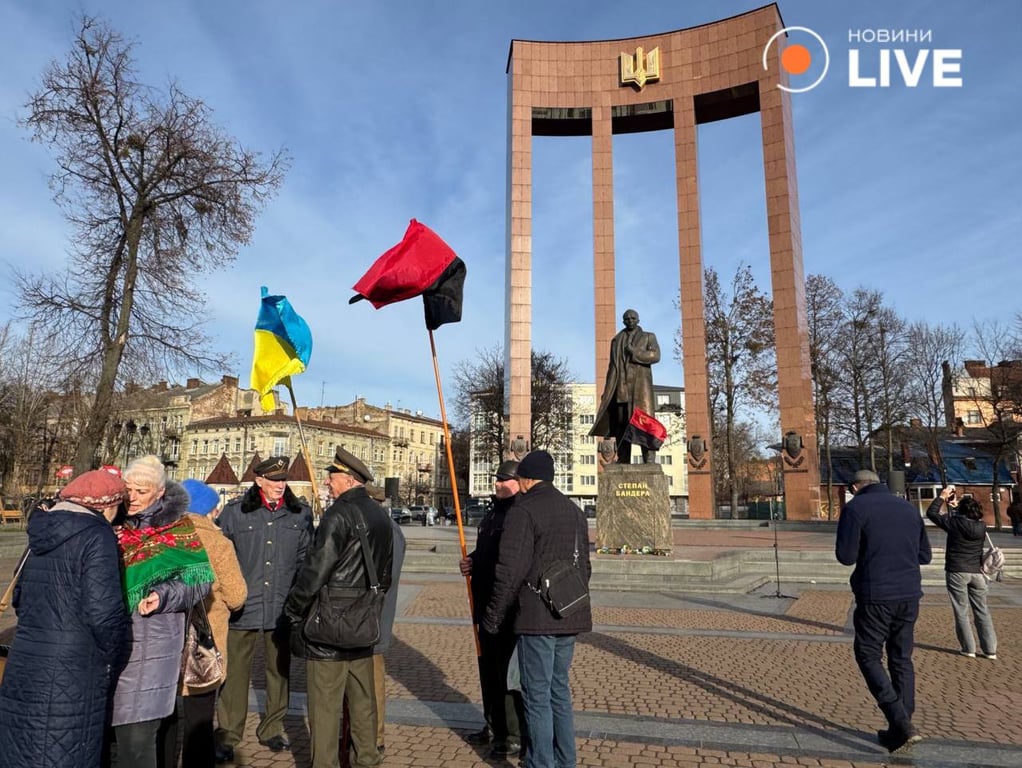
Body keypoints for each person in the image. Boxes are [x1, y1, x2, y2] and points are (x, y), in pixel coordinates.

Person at [0, 470, 131, 768]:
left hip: (27, 656)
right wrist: (112, 655)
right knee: (69, 746)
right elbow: (103, 613)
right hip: (75, 664)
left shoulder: (40, 529)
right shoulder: (97, 535)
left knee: (23, 747)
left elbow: (19, 596)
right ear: (107, 505)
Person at [284, 447, 394, 768]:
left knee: (325, 707)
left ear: (347, 480)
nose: (327, 484)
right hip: (363, 622)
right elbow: (384, 575)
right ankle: (367, 760)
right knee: (363, 702)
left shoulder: (338, 515)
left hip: (327, 627)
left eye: (330, 478)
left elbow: (315, 571)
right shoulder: (380, 516)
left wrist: (294, 609)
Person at [482, 450, 592, 768]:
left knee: (536, 694)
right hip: (569, 613)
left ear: (526, 479)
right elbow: (584, 567)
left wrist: (493, 615)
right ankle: (564, 760)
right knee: (559, 690)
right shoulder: (574, 511)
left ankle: (540, 763)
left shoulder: (523, 510)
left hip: (536, 617)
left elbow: (510, 570)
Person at [111, 455, 214, 768]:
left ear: (159, 493)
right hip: (112, 638)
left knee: (138, 734)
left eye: (141, 492)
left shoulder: (178, 528)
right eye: (128, 489)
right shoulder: (112, 522)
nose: (132, 497)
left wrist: (162, 595)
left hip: (153, 642)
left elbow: (200, 580)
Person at [215, 457, 313, 762]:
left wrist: (298, 601)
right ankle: (229, 733)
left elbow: (305, 561)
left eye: (283, 480)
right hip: (242, 607)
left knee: (279, 671)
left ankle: (271, 727)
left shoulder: (299, 514)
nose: (280, 486)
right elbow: (221, 560)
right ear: (258, 481)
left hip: (281, 607)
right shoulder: (235, 514)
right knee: (234, 674)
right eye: (273, 481)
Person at [835, 469, 932, 754]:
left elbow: (846, 556)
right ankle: (899, 727)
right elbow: (924, 555)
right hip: (909, 593)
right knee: (901, 659)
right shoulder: (908, 508)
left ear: (855, 486)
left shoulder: (855, 509)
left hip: (876, 594)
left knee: (867, 654)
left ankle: (899, 719)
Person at [176, 480, 248, 768]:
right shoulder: (218, 542)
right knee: (200, 719)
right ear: (208, 509)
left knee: (165, 719)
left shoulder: (163, 538)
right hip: (204, 644)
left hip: (165, 641)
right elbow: (237, 595)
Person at [459, 459, 526, 757]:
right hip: (483, 601)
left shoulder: (518, 514)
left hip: (504, 607)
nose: (498, 483)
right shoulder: (492, 514)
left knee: (505, 674)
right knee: (487, 668)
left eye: (505, 479)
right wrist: (472, 560)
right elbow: (487, 551)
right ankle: (492, 725)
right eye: (497, 479)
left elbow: (512, 560)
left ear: (518, 482)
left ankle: (511, 734)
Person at [926, 487, 997, 659]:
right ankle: (990, 649)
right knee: (982, 610)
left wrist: (942, 497)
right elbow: (967, 518)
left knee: (961, 611)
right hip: (977, 572)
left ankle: (968, 648)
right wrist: (957, 506)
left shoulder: (955, 524)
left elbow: (932, 513)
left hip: (957, 570)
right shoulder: (981, 526)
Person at [590, 308, 661, 464]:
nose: (630, 321)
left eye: (633, 318)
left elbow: (655, 355)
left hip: (640, 389)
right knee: (621, 425)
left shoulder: (648, 337)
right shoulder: (616, 340)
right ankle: (623, 459)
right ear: (623, 321)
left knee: (644, 423)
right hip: (621, 389)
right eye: (627, 319)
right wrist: (608, 390)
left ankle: (649, 459)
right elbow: (612, 367)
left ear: (638, 319)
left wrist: (634, 352)